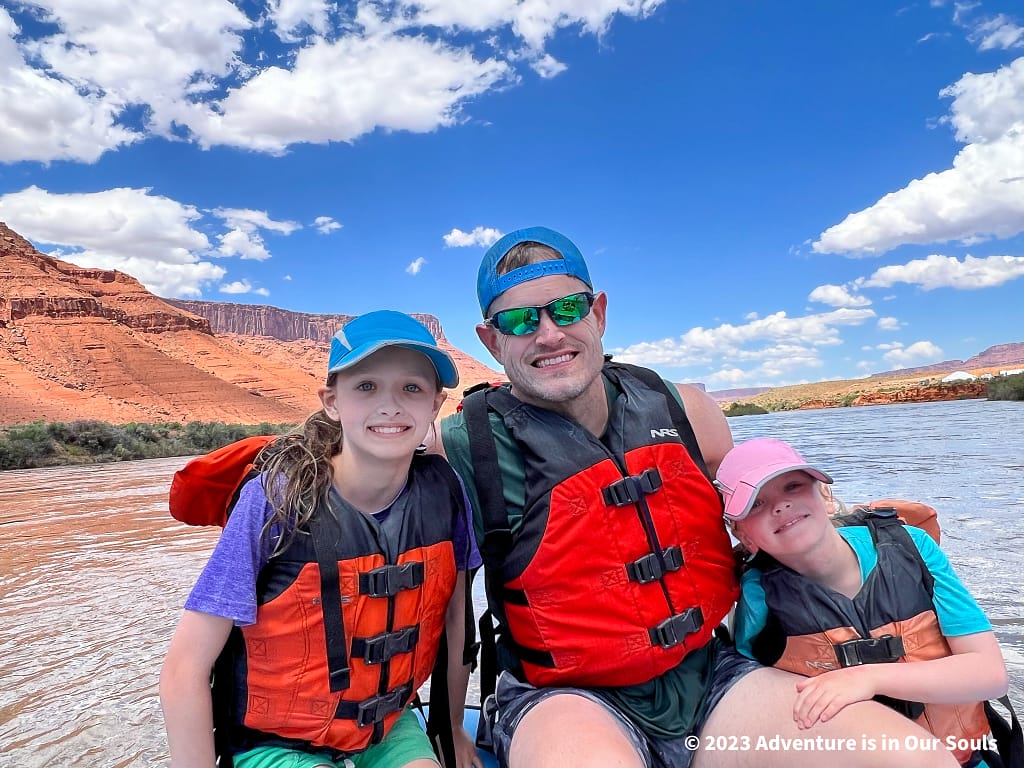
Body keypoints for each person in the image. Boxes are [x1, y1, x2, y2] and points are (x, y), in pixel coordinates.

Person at [438, 225, 957, 768]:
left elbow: (756, 528)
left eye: (567, 308)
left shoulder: (687, 413)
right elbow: (447, 611)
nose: (548, 334)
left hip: (710, 676)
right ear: (492, 341)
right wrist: (451, 726)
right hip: (564, 695)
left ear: (599, 313)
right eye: (520, 320)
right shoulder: (460, 451)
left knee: (916, 759)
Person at [160, 310, 483, 768]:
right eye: (366, 386)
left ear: (435, 405)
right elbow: (184, 668)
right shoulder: (276, 499)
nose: (390, 405)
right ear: (332, 401)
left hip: (386, 726)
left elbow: (456, 627)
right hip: (274, 741)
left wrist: (451, 731)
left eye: (412, 388)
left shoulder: (446, 494)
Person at [718, 437, 1009, 766]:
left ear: (825, 496)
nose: (780, 506)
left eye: (793, 486)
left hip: (964, 758)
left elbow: (990, 672)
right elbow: (758, 697)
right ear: (742, 534)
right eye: (756, 503)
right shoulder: (758, 595)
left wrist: (867, 678)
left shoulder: (912, 548)